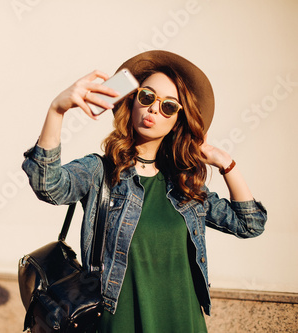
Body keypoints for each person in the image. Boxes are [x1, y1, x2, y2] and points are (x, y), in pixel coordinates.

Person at [21, 50, 267, 332]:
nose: (153, 109)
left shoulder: (185, 187)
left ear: (178, 120)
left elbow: (250, 224)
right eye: (147, 97)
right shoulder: (100, 171)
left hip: (183, 321)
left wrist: (226, 163)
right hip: (120, 321)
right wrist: (57, 110)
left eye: (169, 107)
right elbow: (47, 185)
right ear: (132, 101)